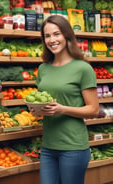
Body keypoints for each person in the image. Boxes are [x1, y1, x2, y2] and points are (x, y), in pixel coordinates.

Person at [29, 15, 99, 184]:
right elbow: (44, 103)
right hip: (48, 147)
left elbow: (93, 110)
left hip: (73, 147)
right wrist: (36, 110)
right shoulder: (43, 68)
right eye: (47, 36)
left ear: (67, 35)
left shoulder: (83, 68)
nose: (52, 40)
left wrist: (63, 109)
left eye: (56, 34)